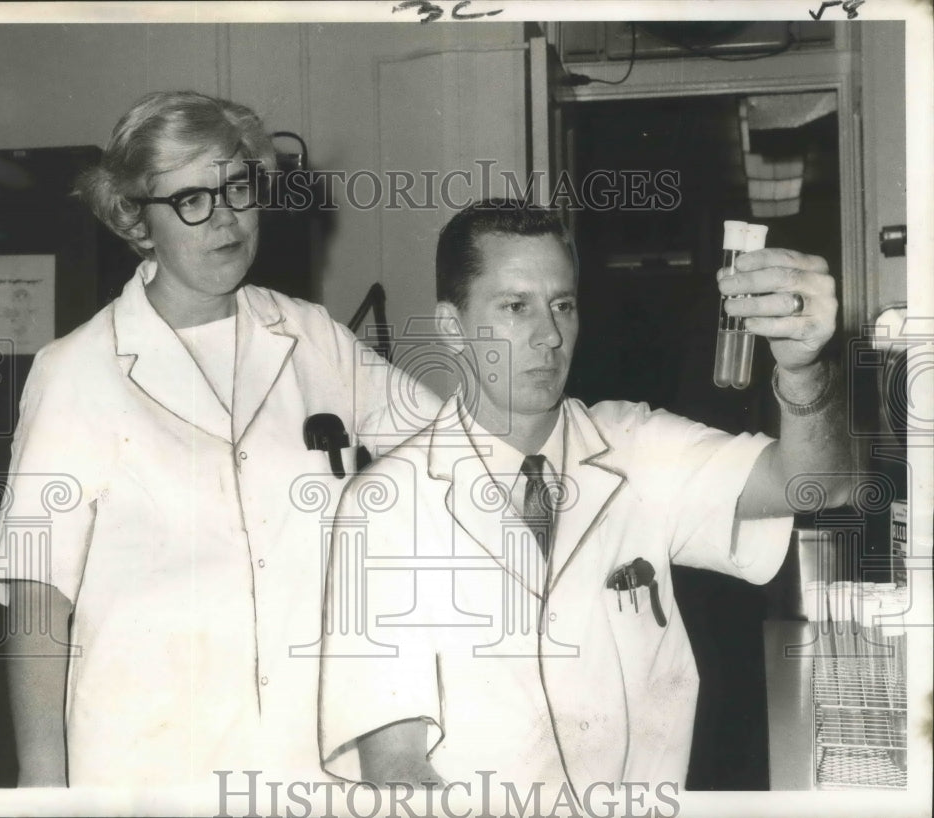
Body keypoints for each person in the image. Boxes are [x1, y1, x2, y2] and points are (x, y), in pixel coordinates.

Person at [318, 201, 851, 808]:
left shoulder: (635, 447)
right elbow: (395, 769)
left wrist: (804, 368)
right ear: (451, 325)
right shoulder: (386, 505)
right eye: (515, 307)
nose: (548, 335)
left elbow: (816, 483)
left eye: (563, 305)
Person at [0, 90, 435, 789]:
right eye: (191, 199)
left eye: (237, 186)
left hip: (312, 763)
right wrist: (40, 787)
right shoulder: (75, 372)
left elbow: (454, 453)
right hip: (150, 765)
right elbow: (38, 598)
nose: (223, 216)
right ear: (137, 222)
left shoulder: (312, 336)